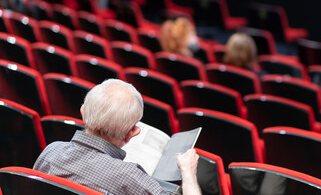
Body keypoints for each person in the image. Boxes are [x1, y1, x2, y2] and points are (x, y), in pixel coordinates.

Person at [33, 79, 201, 195]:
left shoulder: (50, 152)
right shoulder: (130, 177)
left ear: (83, 112)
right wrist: (188, 172)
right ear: (132, 133)